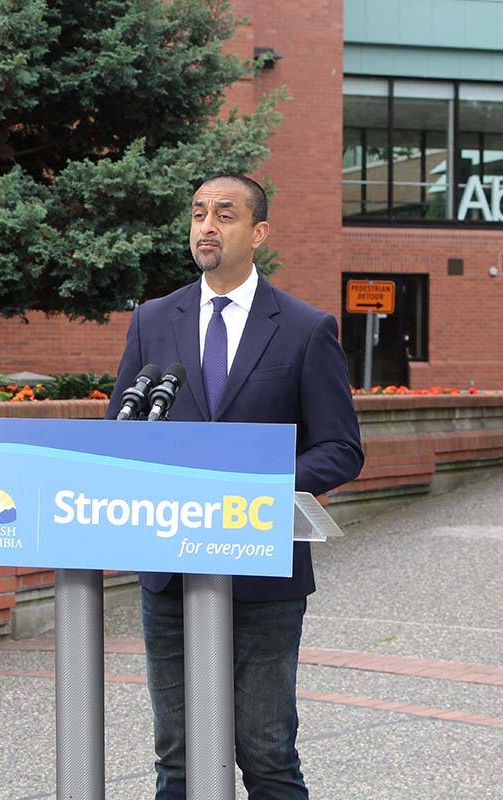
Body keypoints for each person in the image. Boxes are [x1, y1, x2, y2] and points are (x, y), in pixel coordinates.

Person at [107, 174, 363, 798]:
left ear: (259, 232)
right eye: (198, 214)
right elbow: (119, 432)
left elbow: (341, 450)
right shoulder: (153, 320)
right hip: (169, 572)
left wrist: (249, 483)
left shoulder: (305, 328)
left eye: (224, 214)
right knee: (178, 758)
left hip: (262, 575)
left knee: (267, 752)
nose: (206, 227)